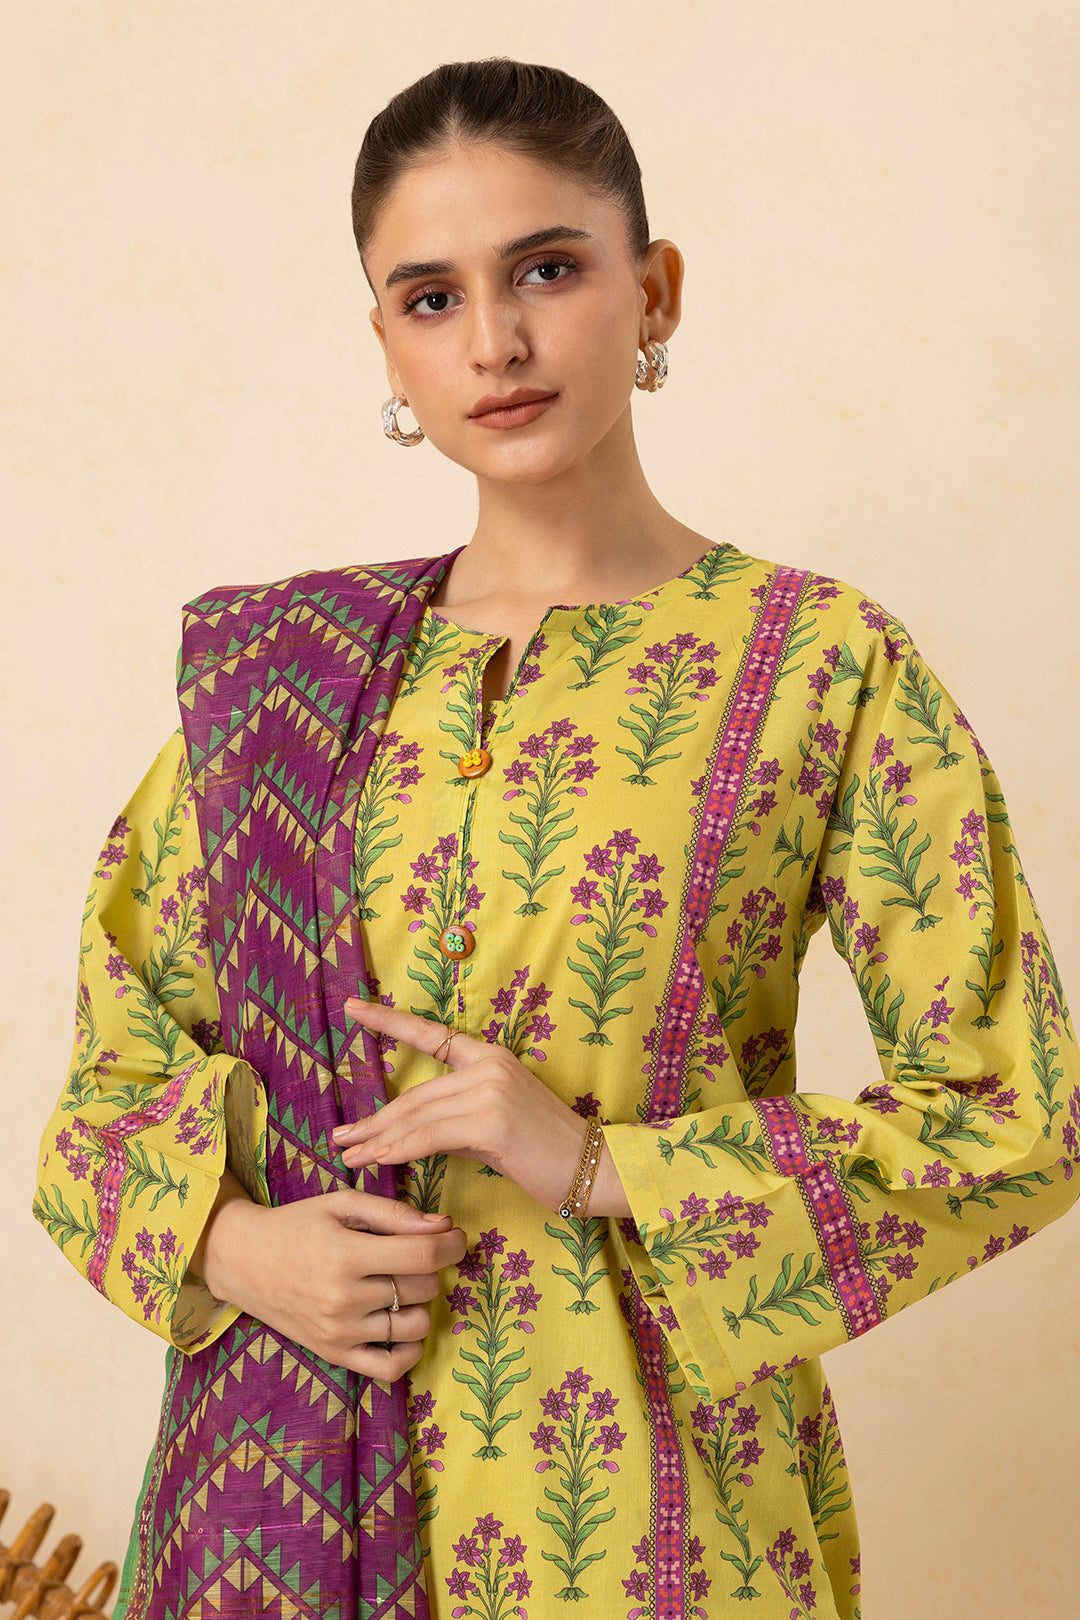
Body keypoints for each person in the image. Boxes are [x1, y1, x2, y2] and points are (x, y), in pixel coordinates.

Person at [34, 57, 1079, 1620]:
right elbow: (103, 1100)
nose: (496, 342)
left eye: (546, 270)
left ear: (653, 293)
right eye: (431, 298)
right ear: (387, 345)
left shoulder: (821, 663)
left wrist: (600, 1164)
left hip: (673, 1523)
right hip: (289, 1515)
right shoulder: (283, 684)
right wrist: (239, 1249)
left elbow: (1015, 1117)